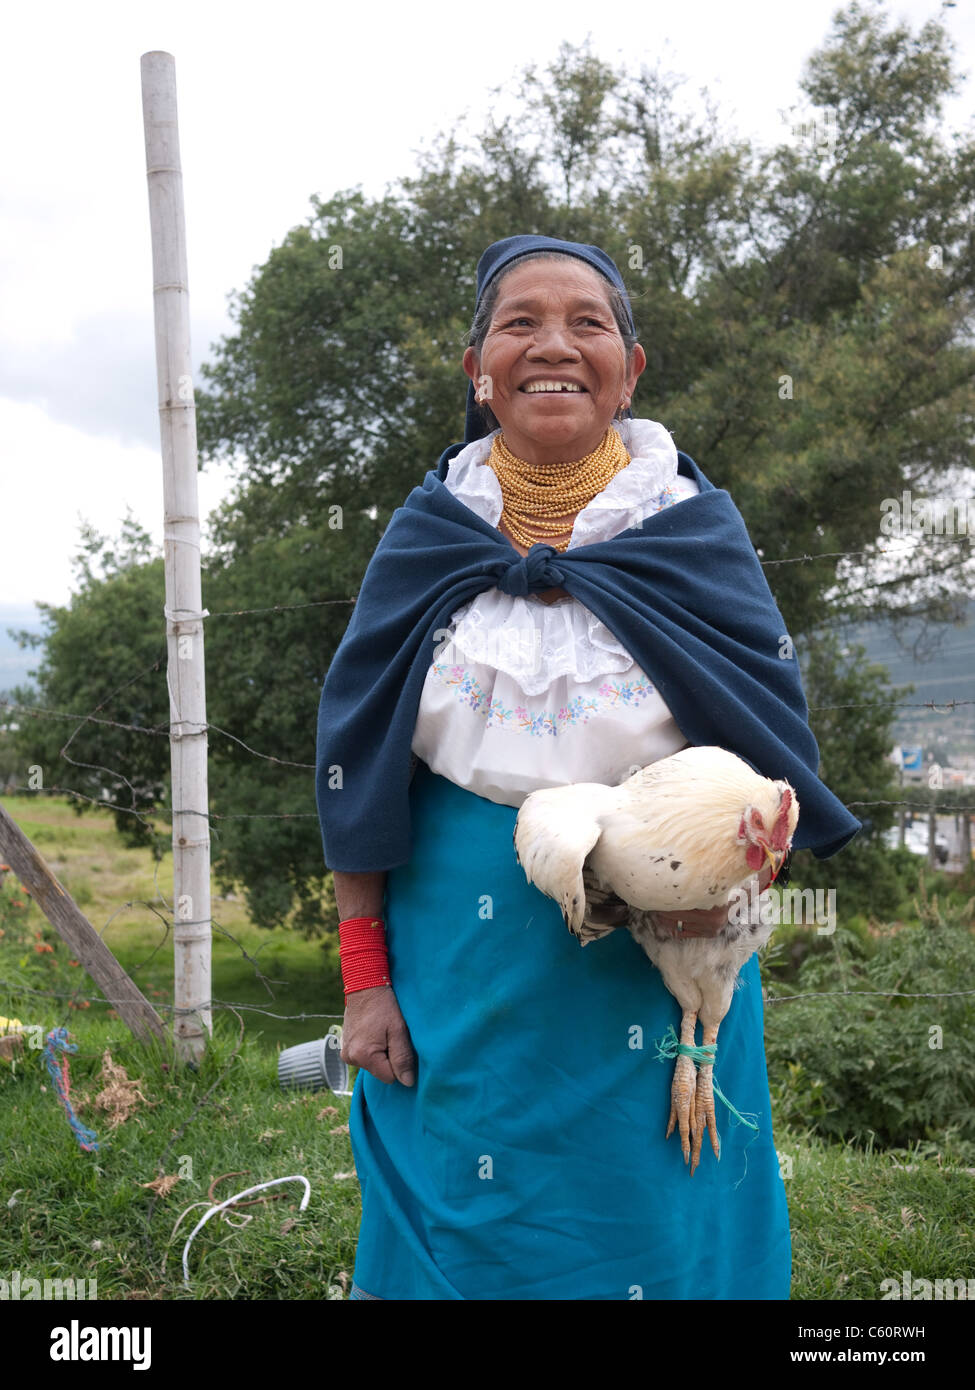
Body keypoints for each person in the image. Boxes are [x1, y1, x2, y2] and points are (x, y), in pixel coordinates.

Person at [315, 234, 860, 1300]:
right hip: (458, 979)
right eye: (519, 322)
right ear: (477, 369)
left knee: (653, 1221)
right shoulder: (427, 537)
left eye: (587, 323)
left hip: (658, 975)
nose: (552, 345)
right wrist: (364, 978)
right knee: (468, 1219)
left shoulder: (689, 531)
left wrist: (738, 897)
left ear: (632, 366)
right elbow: (356, 769)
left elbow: (771, 765)